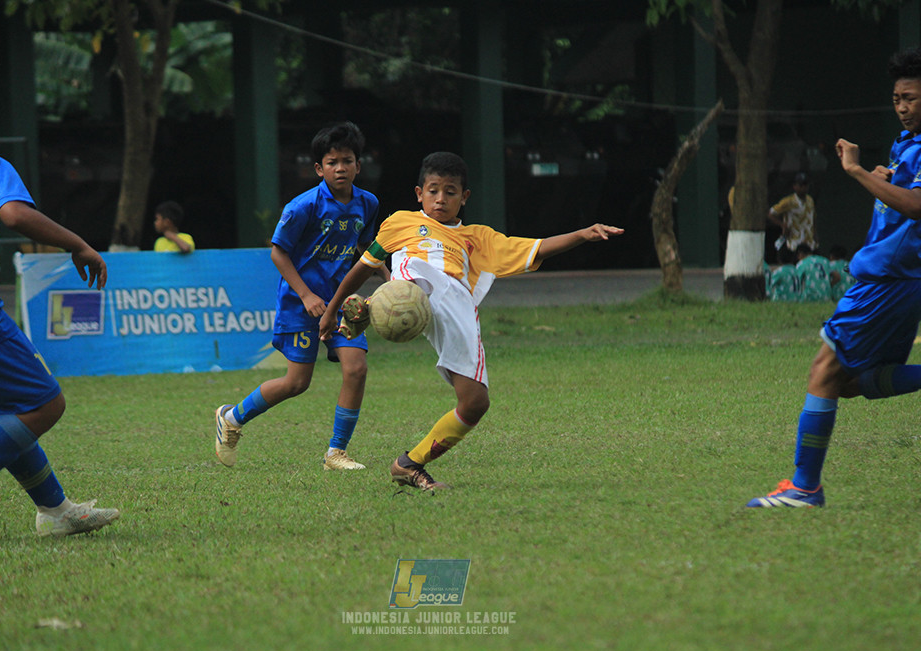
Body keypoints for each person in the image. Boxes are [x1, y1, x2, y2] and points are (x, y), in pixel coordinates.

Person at [318, 151, 623, 492]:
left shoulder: (478, 238)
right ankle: (382, 305)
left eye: (450, 192)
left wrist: (582, 234)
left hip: (456, 304)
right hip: (412, 283)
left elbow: (535, 249)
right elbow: (362, 267)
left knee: (475, 403)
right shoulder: (400, 223)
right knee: (415, 273)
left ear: (464, 198)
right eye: (433, 190)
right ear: (419, 193)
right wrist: (331, 310)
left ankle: (409, 464)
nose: (440, 199)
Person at [0, 68, 120, 541]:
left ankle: (55, 512)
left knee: (8, 416)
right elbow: (14, 213)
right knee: (45, 404)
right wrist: (78, 244)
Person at [747, 46, 921, 508]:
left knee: (824, 370)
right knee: (851, 381)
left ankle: (805, 487)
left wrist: (854, 172)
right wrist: (878, 176)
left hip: (887, 279)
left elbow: (918, 205)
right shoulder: (908, 142)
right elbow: (902, 196)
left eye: (910, 97)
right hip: (899, 276)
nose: (902, 107)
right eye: (896, 99)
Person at [213, 121, 380, 471]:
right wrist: (305, 296)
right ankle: (231, 418)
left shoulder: (368, 203)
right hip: (300, 304)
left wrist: (386, 274)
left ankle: (336, 452)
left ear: (358, 166)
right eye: (332, 162)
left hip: (340, 303)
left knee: (356, 369)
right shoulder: (302, 207)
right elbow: (278, 252)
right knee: (296, 383)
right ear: (319, 168)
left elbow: (363, 247)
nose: (340, 168)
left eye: (347, 160)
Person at [768, 171, 817, 253]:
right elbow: (771, 214)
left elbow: (813, 217)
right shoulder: (788, 201)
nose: (803, 188)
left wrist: (815, 234)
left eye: (805, 185)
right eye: (801, 185)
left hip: (809, 242)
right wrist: (782, 225)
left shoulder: (810, 200)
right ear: (795, 186)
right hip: (794, 242)